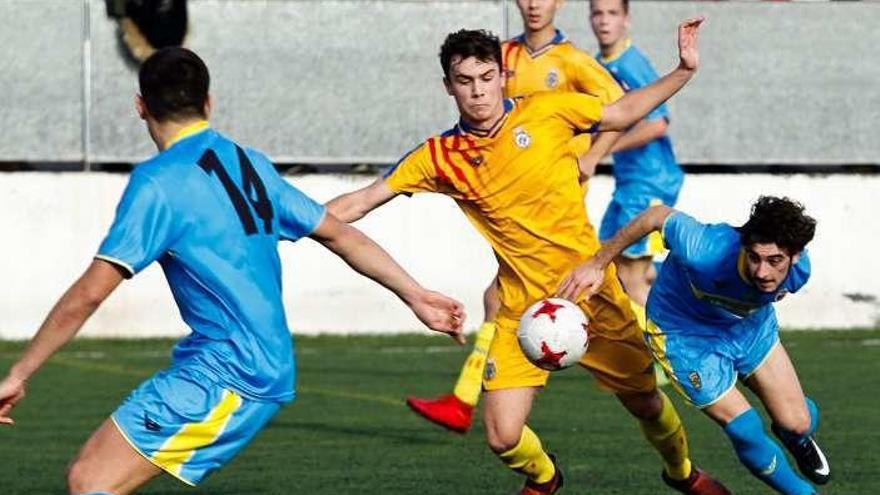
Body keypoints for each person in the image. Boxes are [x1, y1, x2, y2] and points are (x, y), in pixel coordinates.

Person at [0, 47, 465, 495]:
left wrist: (19, 373)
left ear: (140, 108)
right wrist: (415, 294)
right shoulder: (250, 163)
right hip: (245, 363)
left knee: (91, 482)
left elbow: (90, 294)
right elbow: (341, 234)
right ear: (208, 102)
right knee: (90, 478)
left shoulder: (159, 182)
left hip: (231, 371)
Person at [328, 19, 731, 495]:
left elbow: (623, 111)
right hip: (523, 309)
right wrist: (283, 220)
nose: (477, 92)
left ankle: (683, 473)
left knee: (645, 403)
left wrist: (683, 70)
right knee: (502, 436)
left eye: (485, 78)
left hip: (590, 290)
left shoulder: (549, 111)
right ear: (448, 88)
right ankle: (545, 478)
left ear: (502, 76)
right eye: (465, 82)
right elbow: (361, 201)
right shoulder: (440, 156)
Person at [406, 0, 626, 436]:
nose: (533, 4)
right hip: (510, 202)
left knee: (609, 285)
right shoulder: (501, 56)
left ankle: (471, 396)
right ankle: (469, 398)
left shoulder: (573, 61)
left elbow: (620, 111)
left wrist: (594, 157)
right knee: (500, 297)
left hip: (556, 203)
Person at [558, 196, 830, 495]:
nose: (762, 272)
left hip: (747, 329)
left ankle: (797, 438)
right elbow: (656, 216)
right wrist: (597, 263)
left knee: (798, 422)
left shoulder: (800, 272)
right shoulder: (706, 248)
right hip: (684, 336)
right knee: (745, 429)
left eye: (774, 261)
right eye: (754, 257)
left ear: (795, 255)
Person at [589, 0, 685, 327]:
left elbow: (658, 123)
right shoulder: (597, 66)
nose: (604, 21)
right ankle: (692, 307)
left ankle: (663, 358)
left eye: (612, 14)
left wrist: (603, 150)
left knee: (628, 275)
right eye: (598, 13)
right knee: (615, 264)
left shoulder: (631, 64)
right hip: (628, 182)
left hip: (650, 181)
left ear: (626, 20)